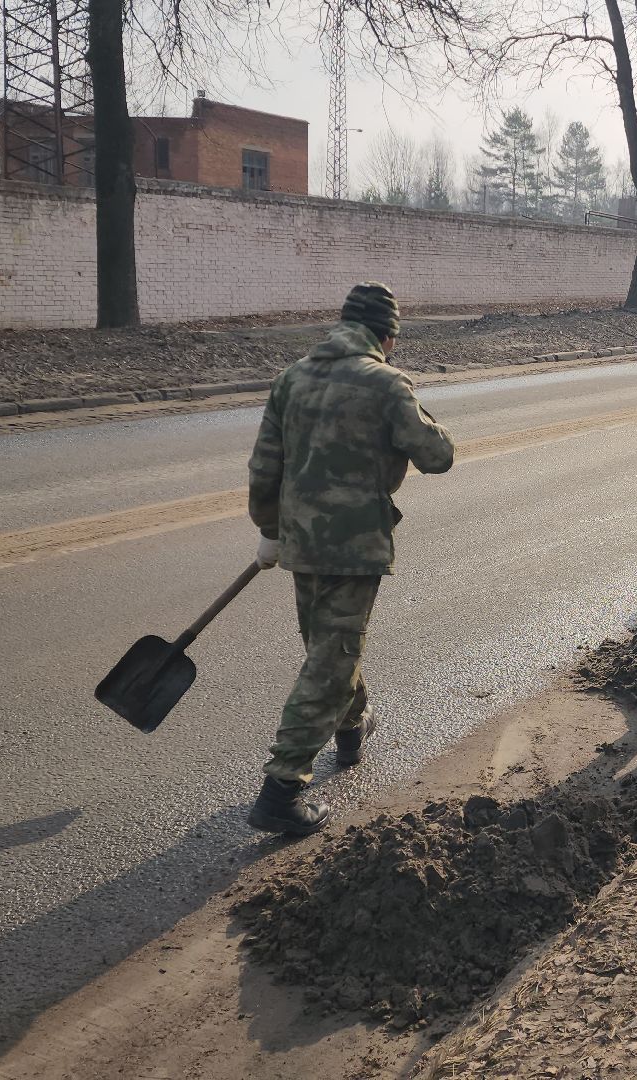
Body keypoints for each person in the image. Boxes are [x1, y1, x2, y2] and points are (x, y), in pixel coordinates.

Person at [245, 282, 455, 836]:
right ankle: (281, 788)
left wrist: (269, 530)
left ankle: (351, 726)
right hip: (354, 544)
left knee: (330, 648)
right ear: (387, 337)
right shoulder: (385, 382)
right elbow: (437, 456)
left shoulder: (291, 379)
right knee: (331, 660)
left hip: (300, 541)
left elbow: (264, 466)